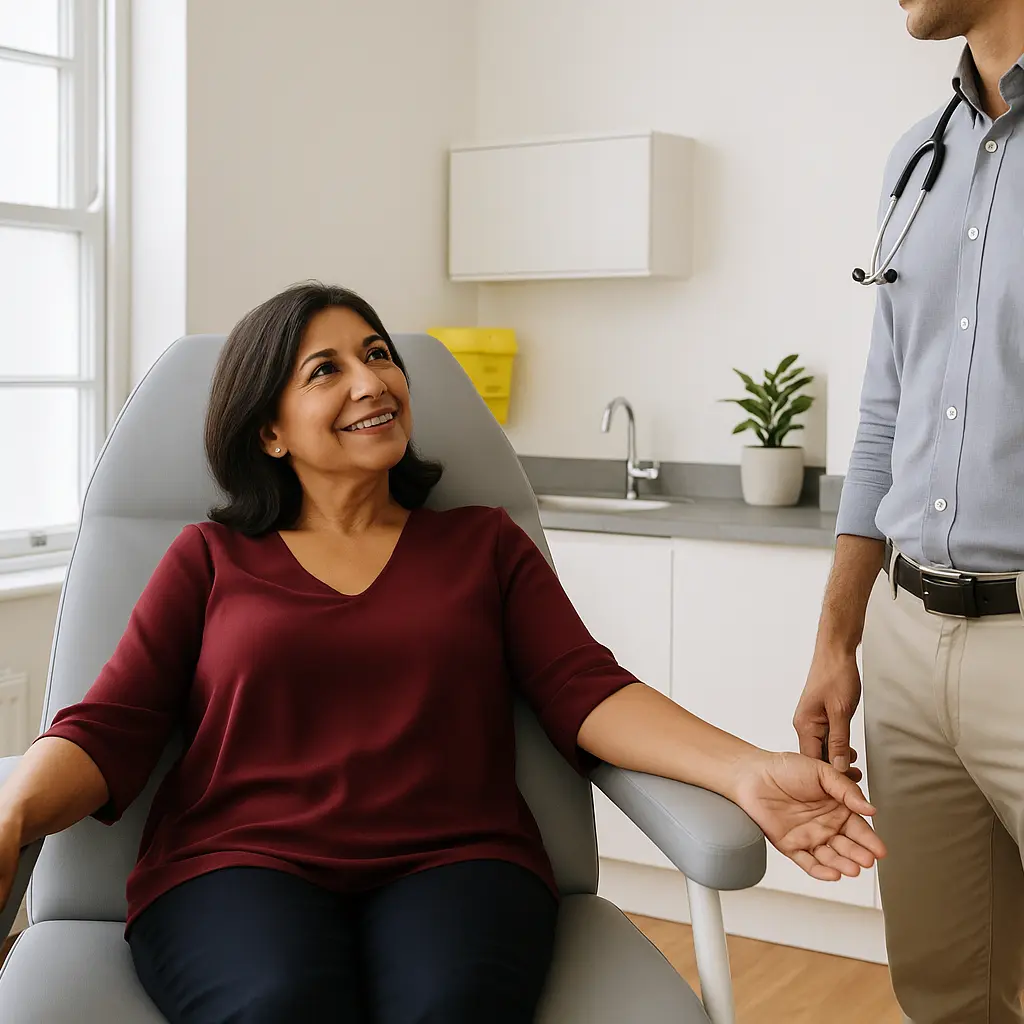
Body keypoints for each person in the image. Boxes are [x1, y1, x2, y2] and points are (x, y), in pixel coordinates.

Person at [0, 283, 883, 1024]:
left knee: (449, 1009)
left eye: (378, 354)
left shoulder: (481, 545)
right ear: (270, 431)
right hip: (238, 861)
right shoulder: (209, 558)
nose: (371, 381)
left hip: (456, 860)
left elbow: (585, 689)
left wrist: (746, 771)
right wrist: (10, 815)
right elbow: (109, 725)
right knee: (277, 1004)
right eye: (326, 369)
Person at [793, 2, 1024, 1022]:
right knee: (945, 994)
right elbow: (884, 414)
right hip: (905, 644)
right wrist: (836, 640)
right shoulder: (915, 160)